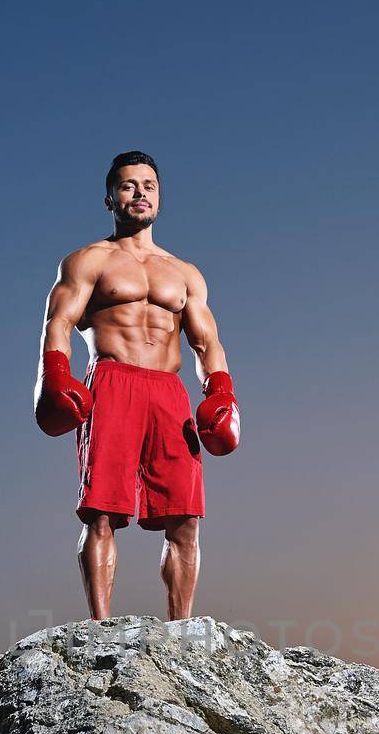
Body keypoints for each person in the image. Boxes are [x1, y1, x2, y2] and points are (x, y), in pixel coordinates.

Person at [34, 150, 240, 621]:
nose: (140, 193)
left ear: (159, 197)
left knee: (185, 518)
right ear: (110, 197)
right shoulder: (88, 260)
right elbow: (59, 322)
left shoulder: (185, 272)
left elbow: (206, 342)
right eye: (128, 185)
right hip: (112, 382)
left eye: (148, 185)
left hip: (169, 392)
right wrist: (55, 375)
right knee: (101, 511)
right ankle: (100, 627)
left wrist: (222, 393)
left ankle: (181, 630)